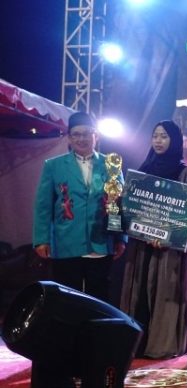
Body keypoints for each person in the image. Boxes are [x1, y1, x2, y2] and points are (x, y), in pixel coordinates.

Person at [33, 112, 126, 304]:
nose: (81, 139)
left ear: (96, 136)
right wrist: (41, 239)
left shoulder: (111, 165)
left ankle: (96, 325)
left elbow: (118, 205)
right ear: (69, 138)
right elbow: (43, 206)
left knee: (99, 298)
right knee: (67, 298)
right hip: (66, 241)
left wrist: (120, 238)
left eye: (86, 133)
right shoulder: (53, 166)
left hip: (101, 242)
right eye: (76, 134)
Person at [120, 120, 187, 358]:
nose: (158, 141)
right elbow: (133, 207)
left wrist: (164, 235)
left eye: (164, 136)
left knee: (163, 290)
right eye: (155, 136)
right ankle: (137, 343)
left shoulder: (184, 172)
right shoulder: (143, 170)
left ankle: (161, 343)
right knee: (139, 289)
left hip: (168, 247)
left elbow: (184, 213)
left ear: (175, 140)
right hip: (141, 244)